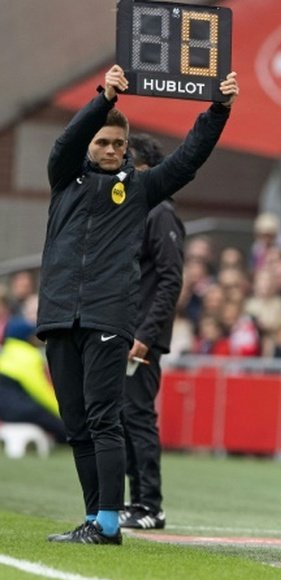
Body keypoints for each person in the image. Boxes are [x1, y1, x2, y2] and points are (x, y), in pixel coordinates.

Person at [38, 64, 238, 545]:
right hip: (60, 315)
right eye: (103, 142)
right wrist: (103, 100)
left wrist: (218, 110)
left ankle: (109, 524)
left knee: (106, 419)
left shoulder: (142, 191)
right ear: (91, 144)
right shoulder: (65, 179)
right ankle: (95, 519)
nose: (110, 150)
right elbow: (65, 144)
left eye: (118, 144)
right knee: (77, 424)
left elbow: (188, 160)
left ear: (128, 150)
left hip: (108, 317)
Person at [118, 133, 185, 530]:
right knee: (125, 418)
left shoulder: (160, 212)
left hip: (141, 338)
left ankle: (150, 505)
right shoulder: (138, 209)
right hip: (125, 332)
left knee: (138, 417)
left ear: (144, 168)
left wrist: (145, 333)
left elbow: (169, 279)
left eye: (128, 162)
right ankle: (135, 500)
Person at [0, 316, 66, 441]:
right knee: (63, 427)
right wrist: (62, 412)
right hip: (18, 410)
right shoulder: (28, 356)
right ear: (27, 337)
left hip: (3, 411)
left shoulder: (6, 352)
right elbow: (40, 391)